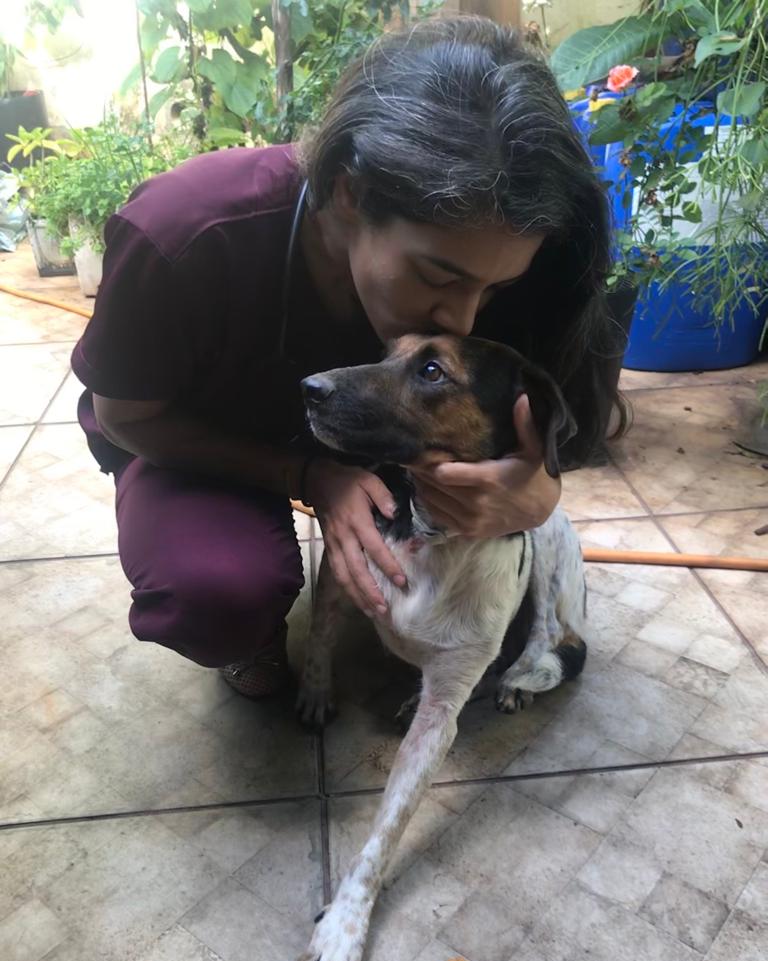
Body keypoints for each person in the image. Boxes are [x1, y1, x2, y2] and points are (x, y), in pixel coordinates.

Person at [71, 15, 624, 698]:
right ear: (349, 193)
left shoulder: (497, 244)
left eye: (495, 288)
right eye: (439, 276)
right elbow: (126, 417)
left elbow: (538, 436)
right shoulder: (184, 234)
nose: (463, 318)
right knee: (216, 595)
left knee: (488, 617)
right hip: (195, 437)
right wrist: (308, 475)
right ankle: (250, 632)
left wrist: (533, 494)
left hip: (378, 435)